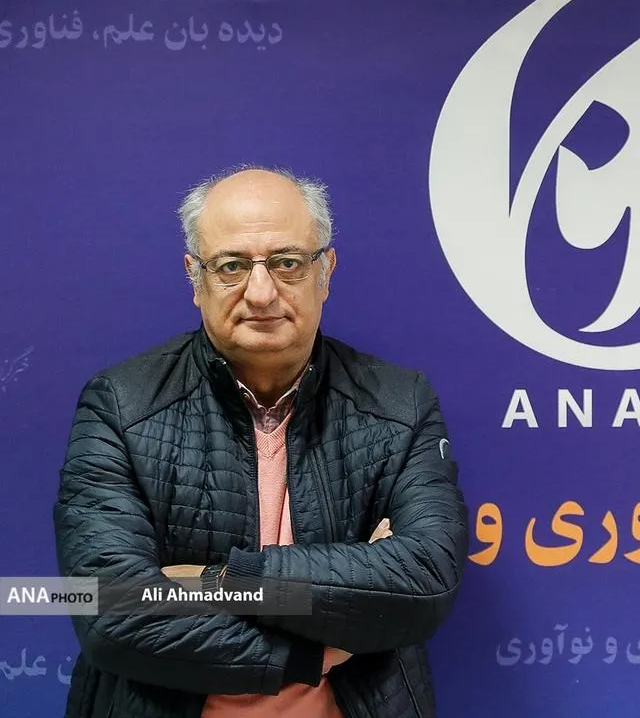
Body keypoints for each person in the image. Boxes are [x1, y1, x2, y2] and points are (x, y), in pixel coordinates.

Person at [53, 165, 469, 717]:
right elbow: (110, 610)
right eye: (231, 266)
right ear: (195, 278)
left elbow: (425, 581)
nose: (261, 292)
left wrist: (225, 580)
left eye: (287, 262)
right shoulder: (120, 405)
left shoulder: (399, 404)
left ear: (326, 271)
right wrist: (313, 652)